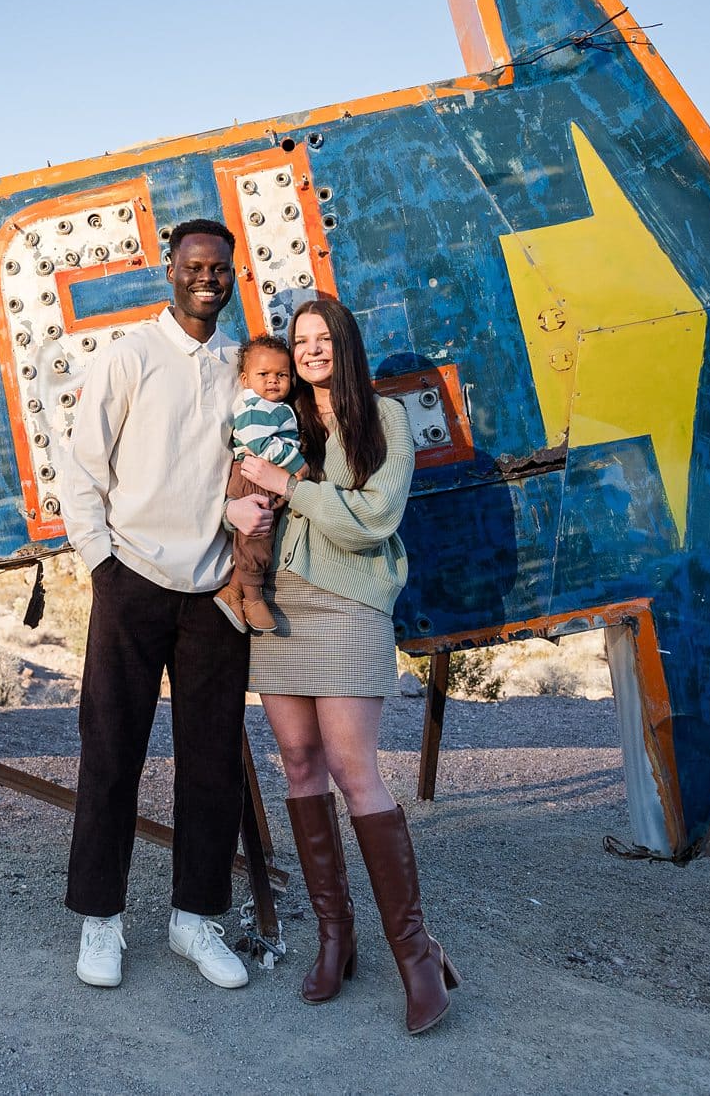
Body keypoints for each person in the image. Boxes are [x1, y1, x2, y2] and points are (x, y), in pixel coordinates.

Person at [58, 217, 274, 991]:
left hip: (213, 591)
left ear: (232, 273)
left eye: (220, 267)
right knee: (112, 753)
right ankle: (101, 921)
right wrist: (101, 565)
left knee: (211, 762)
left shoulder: (241, 364)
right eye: (194, 266)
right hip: (133, 579)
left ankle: (194, 919)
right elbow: (82, 466)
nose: (207, 278)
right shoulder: (130, 355)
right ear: (170, 270)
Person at [235, 297, 460, 1033]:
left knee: (353, 766)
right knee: (298, 762)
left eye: (321, 336)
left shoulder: (384, 418)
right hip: (279, 604)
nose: (309, 350)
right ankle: (337, 938)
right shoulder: (278, 414)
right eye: (299, 340)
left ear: (345, 341)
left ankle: (416, 956)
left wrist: (289, 486)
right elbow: (237, 479)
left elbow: (372, 520)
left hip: (350, 604)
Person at [216, 336, 311, 634]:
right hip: (251, 478)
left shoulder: (273, 406)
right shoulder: (254, 406)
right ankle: (253, 597)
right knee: (257, 536)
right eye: (263, 374)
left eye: (281, 375)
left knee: (258, 535)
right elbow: (260, 443)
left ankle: (232, 592)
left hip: (261, 477)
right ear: (245, 379)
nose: (273, 381)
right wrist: (296, 463)